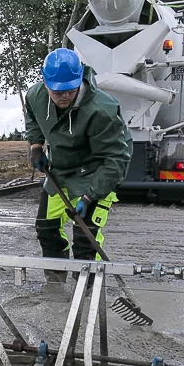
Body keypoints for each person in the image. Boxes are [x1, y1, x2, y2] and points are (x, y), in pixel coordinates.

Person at [25, 48, 132, 287]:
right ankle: (55, 284)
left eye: (70, 91)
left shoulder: (102, 110)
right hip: (61, 170)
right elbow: (32, 116)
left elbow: (116, 159)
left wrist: (90, 195)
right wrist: (35, 145)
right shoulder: (36, 96)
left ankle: (87, 292)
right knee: (46, 227)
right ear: (45, 82)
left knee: (86, 239)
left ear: (79, 79)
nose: (63, 97)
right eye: (57, 91)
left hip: (97, 170)